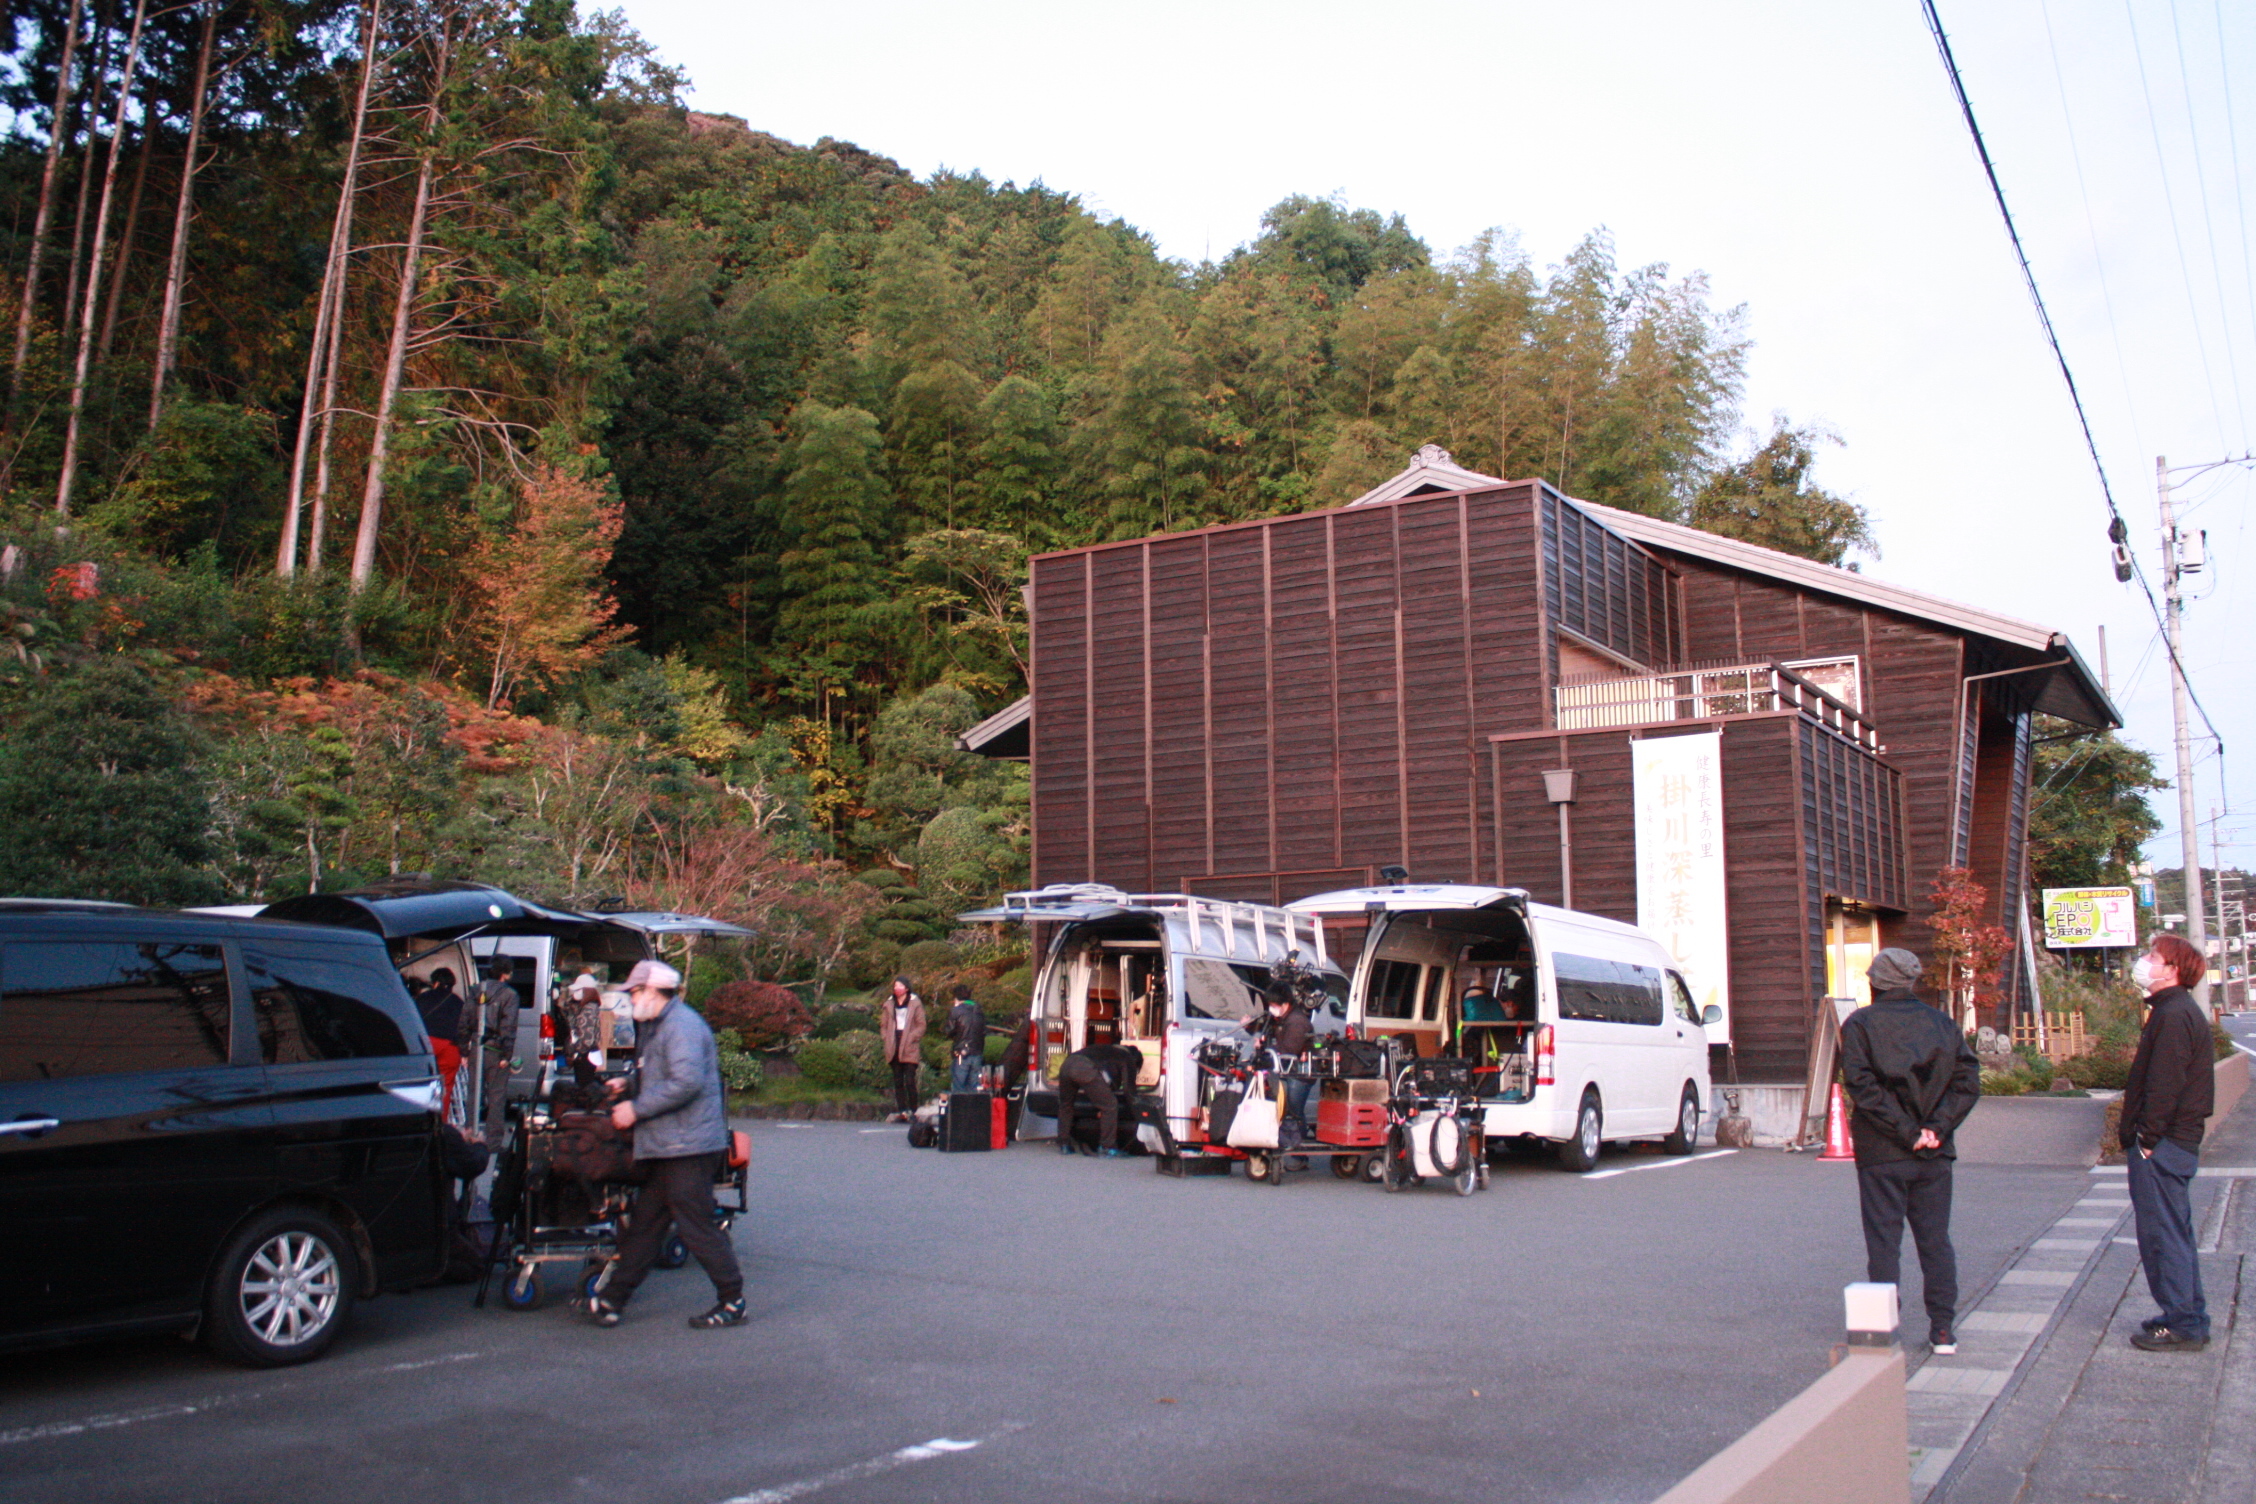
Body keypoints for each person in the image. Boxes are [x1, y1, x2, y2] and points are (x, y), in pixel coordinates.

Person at [586, 959, 745, 1330]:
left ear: (655, 991)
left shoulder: (681, 1025)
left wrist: (635, 1109)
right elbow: (662, 1074)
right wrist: (626, 1085)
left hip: (687, 1146)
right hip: (671, 1144)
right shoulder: (659, 1024)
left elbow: (686, 1082)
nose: (631, 998)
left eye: (636, 991)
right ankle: (611, 1300)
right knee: (646, 1226)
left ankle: (732, 1300)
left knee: (696, 1226)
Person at [1838, 947, 1982, 1355]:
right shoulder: (1942, 1024)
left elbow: (1863, 1086)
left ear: (1875, 982)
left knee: (1883, 1241)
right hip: (1934, 1153)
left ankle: (1884, 1327)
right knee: (1935, 1240)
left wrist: (1905, 1131)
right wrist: (1935, 1129)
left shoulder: (1860, 1024)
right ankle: (1942, 1329)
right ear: (1912, 981)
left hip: (1882, 1150)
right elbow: (1967, 1081)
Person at [2121, 933, 2215, 1352]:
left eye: (2153, 956)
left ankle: (2182, 1323)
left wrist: (2147, 1139)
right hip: (2173, 1142)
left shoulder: (2173, 1014)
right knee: (2174, 1232)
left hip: (2163, 1145)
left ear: (2173, 969)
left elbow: (2164, 1084)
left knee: (2162, 1235)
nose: (2145, 962)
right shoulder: (2176, 1010)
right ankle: (2187, 1315)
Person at [1241, 982, 1315, 1157]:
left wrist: (1268, 1049)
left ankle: (1298, 1152)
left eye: (1274, 1005)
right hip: (1285, 1070)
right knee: (1283, 1110)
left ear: (1285, 1004)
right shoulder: (1280, 1019)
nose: (1271, 1009)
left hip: (1299, 1074)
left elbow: (1289, 1050)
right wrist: (1250, 1027)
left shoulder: (1297, 1022)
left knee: (1293, 1111)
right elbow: (1267, 1031)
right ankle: (1285, 1145)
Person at [1055, 1041, 1141, 1157]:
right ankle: (1107, 1147)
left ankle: (1064, 1144)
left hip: (1067, 1064)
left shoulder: (1105, 1048)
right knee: (1110, 1105)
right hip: (1084, 1068)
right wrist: (1139, 1110)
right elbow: (1129, 1091)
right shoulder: (1127, 1057)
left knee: (1066, 1105)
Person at [415, 968, 468, 1118]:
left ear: (436, 983)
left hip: (426, 1045)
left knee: (421, 1084)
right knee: (445, 1087)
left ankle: (422, 1121)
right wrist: (464, 1053)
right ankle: (440, 1124)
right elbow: (463, 1029)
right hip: (449, 1047)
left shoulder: (423, 998)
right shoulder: (458, 1002)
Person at [477, 958, 522, 1134]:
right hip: (495, 1049)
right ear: (505, 974)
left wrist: (465, 1049)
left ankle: (468, 1136)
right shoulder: (509, 995)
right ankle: (493, 1142)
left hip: (476, 1047)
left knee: (473, 1094)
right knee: (496, 1096)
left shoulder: (475, 990)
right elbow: (508, 1028)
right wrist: (506, 1055)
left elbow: (465, 1020)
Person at [878, 976, 926, 1122]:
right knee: (897, 1080)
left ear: (906, 988)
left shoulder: (915, 1003)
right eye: (895, 986)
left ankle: (913, 1109)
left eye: (900, 986)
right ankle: (902, 1110)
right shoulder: (889, 1003)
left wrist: (912, 1037)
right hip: (894, 1042)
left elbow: (921, 1024)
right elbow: (884, 1024)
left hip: (909, 1044)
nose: (896, 989)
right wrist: (886, 1037)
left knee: (910, 1079)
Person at [562, 972, 605, 1085]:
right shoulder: (578, 1006)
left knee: (584, 1086)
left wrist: (575, 1053)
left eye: (578, 990)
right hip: (580, 1054)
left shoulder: (589, 1009)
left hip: (585, 1055)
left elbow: (587, 1038)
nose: (574, 993)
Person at [946, 982, 986, 1094]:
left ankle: (960, 1110)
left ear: (956, 997)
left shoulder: (956, 1011)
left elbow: (948, 1031)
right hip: (978, 1051)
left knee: (959, 1086)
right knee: (974, 1086)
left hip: (961, 1052)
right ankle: (973, 1110)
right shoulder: (979, 1010)